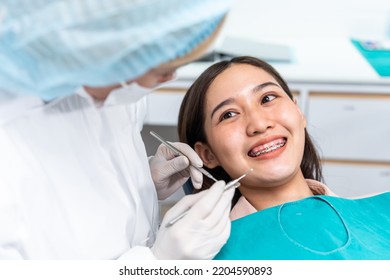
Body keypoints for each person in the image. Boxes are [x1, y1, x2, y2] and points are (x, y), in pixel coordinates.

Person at [0, 0, 236, 259]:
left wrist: (142, 184)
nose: (171, 78)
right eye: (163, 67)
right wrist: (158, 265)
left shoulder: (115, 82)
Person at [177, 56, 390, 259]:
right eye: (229, 114)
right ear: (207, 154)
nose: (259, 125)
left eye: (267, 98)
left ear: (298, 111)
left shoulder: (381, 212)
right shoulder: (212, 260)